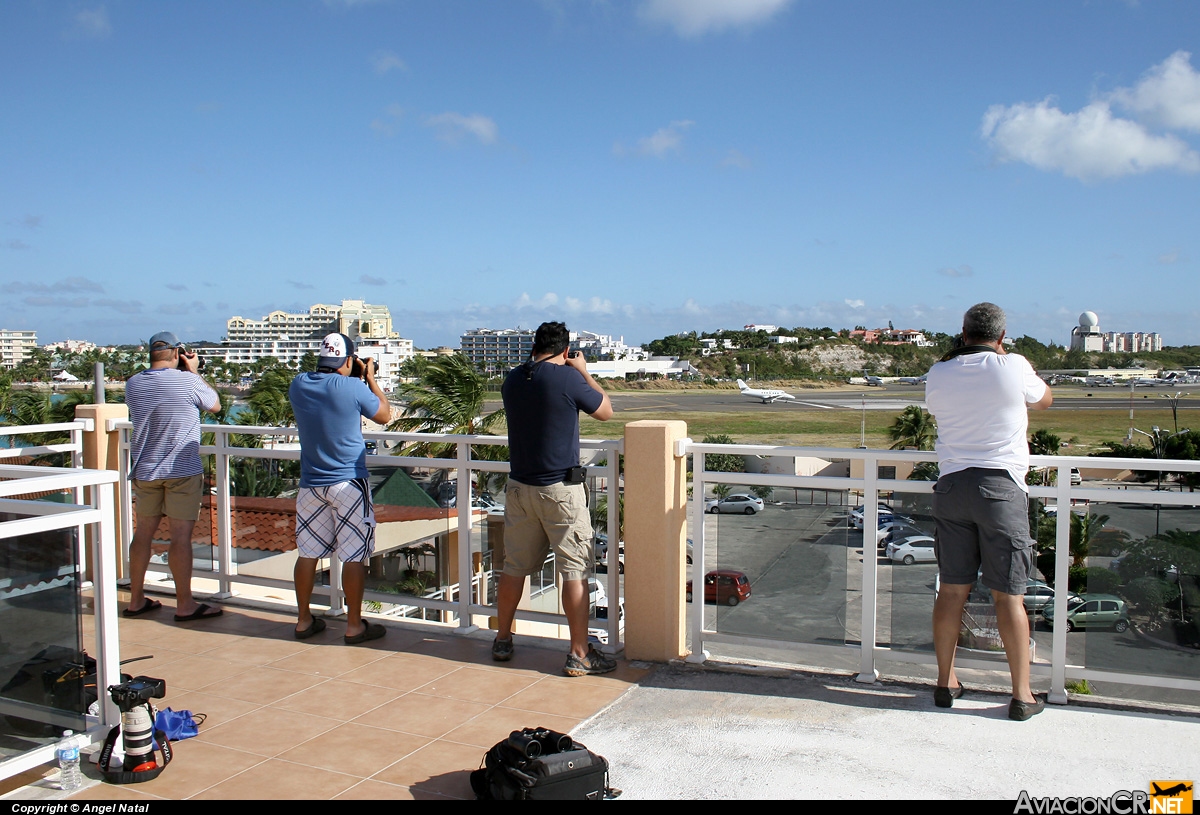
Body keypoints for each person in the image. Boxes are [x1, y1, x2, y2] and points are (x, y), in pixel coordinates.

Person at [924, 303, 1054, 721]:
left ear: (962, 333)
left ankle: (946, 682)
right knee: (1008, 596)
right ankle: (1021, 696)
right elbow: (1045, 400)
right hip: (999, 489)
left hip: (952, 486)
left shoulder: (938, 372)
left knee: (951, 590)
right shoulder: (1012, 364)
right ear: (1001, 336)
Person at [493, 321, 615, 676]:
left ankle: (502, 637)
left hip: (519, 489)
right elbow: (605, 410)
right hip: (560, 491)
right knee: (574, 571)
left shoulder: (513, 379)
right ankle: (579, 653)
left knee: (514, 567)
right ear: (564, 351)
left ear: (533, 347)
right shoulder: (566, 378)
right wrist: (584, 372)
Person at [288, 332, 392, 644]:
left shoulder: (299, 384)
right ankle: (353, 625)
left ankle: (304, 620)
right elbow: (384, 415)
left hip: (311, 483)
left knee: (307, 554)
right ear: (348, 360)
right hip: (348, 481)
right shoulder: (352, 387)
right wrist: (370, 379)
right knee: (353, 556)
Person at [123, 331, 223, 621]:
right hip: (181, 470)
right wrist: (193, 371)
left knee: (142, 534)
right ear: (177, 352)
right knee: (180, 537)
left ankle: (136, 600)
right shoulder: (188, 380)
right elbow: (215, 406)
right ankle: (184, 605)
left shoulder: (133, 384)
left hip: (145, 469)